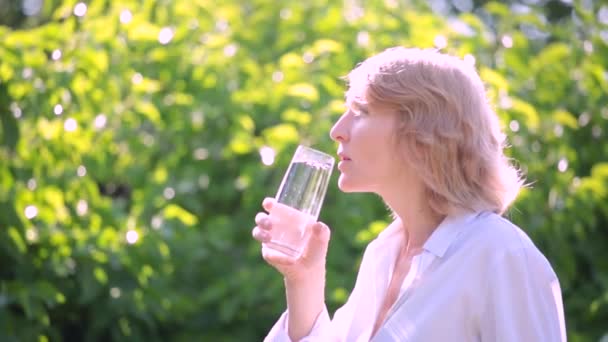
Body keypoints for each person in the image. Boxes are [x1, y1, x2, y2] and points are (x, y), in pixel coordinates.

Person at [252, 47, 566, 341]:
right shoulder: (383, 254)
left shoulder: (500, 254)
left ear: (423, 133)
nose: (337, 129)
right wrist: (302, 280)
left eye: (360, 111)